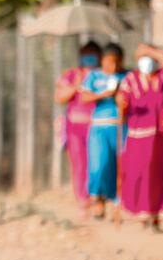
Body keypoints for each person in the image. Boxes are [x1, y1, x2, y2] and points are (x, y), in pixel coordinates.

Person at [117, 43, 163, 229]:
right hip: (138, 135)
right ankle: (141, 211)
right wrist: (121, 104)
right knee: (138, 174)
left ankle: (155, 215)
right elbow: (122, 104)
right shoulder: (131, 79)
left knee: (159, 175)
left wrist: (148, 50)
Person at [79, 43, 126, 221]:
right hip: (99, 127)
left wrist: (122, 100)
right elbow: (84, 97)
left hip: (121, 127)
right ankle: (97, 199)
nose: (113, 66)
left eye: (117, 62)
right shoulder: (94, 76)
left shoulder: (127, 76)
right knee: (99, 165)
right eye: (109, 62)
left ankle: (118, 202)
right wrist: (104, 94)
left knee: (119, 166)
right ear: (103, 61)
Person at [54, 41, 102, 215]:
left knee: (97, 164)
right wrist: (76, 85)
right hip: (74, 129)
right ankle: (83, 202)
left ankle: (98, 199)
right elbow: (59, 97)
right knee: (80, 165)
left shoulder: (103, 75)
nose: (88, 58)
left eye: (92, 54)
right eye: (85, 54)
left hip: (98, 127)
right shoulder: (71, 75)